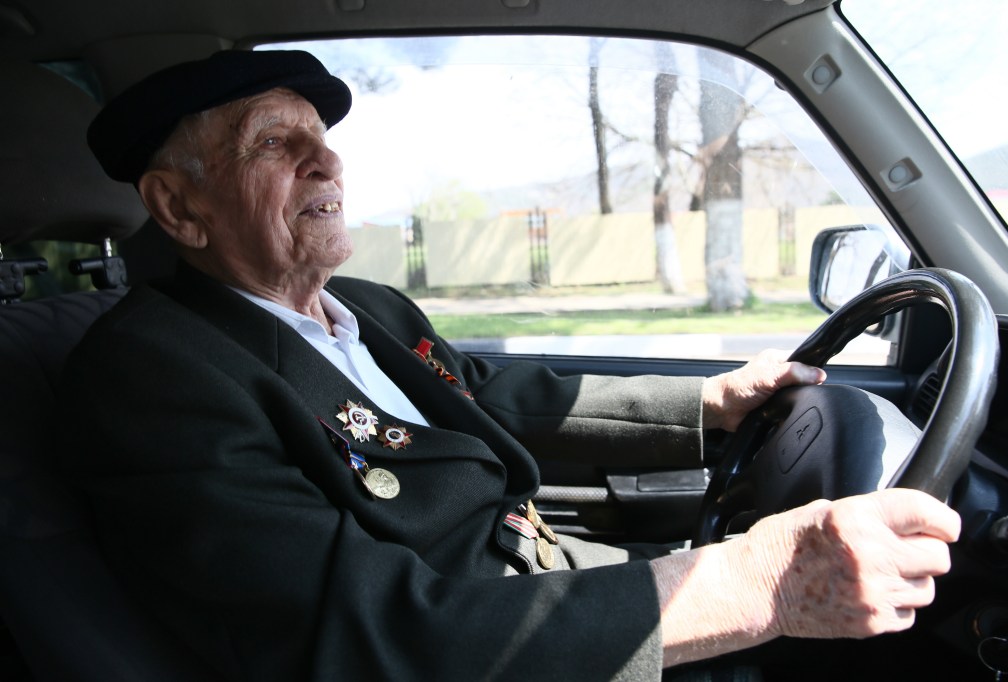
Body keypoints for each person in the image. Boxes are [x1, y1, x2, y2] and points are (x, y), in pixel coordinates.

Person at [61, 49, 960, 681]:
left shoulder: (366, 305)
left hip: (551, 579)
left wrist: (710, 401)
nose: (326, 159)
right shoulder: (154, 372)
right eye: (272, 142)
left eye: (320, 137)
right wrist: (759, 582)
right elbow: (367, 636)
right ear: (178, 207)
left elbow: (484, 396)